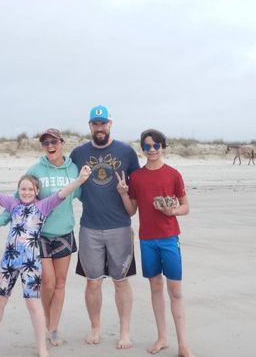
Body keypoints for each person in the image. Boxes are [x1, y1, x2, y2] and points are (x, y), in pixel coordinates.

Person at [0, 164, 91, 356]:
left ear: (37, 191)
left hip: (31, 264)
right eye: (22, 189)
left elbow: (62, 193)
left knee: (33, 304)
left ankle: (41, 347)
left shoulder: (43, 206)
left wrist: (80, 179)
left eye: (30, 189)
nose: (26, 192)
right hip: (8, 261)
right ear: (18, 191)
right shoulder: (12, 204)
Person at [0, 128, 80, 346]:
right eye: (45, 143)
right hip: (39, 236)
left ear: (61, 142)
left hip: (65, 233)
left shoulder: (73, 169)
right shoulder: (36, 169)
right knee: (48, 282)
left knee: (61, 283)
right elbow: (16, 201)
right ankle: (45, 322)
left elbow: (81, 196)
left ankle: (53, 328)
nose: (50, 145)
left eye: (54, 141)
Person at [116, 129, 194, 357]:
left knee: (175, 291)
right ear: (142, 148)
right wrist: (122, 193)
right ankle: (162, 337)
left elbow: (186, 207)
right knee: (155, 289)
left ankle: (183, 344)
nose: (152, 150)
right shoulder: (137, 177)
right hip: (147, 240)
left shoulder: (173, 174)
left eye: (156, 145)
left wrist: (173, 210)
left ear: (163, 147)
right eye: (147, 146)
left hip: (169, 239)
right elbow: (131, 211)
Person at [69, 105, 140, 349]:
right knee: (93, 282)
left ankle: (125, 333)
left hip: (120, 226)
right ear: (90, 126)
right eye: (95, 124)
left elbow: (139, 187)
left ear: (110, 124)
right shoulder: (78, 153)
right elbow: (64, 181)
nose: (100, 128)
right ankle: (95, 329)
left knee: (121, 281)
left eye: (104, 123)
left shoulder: (126, 152)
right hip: (89, 227)